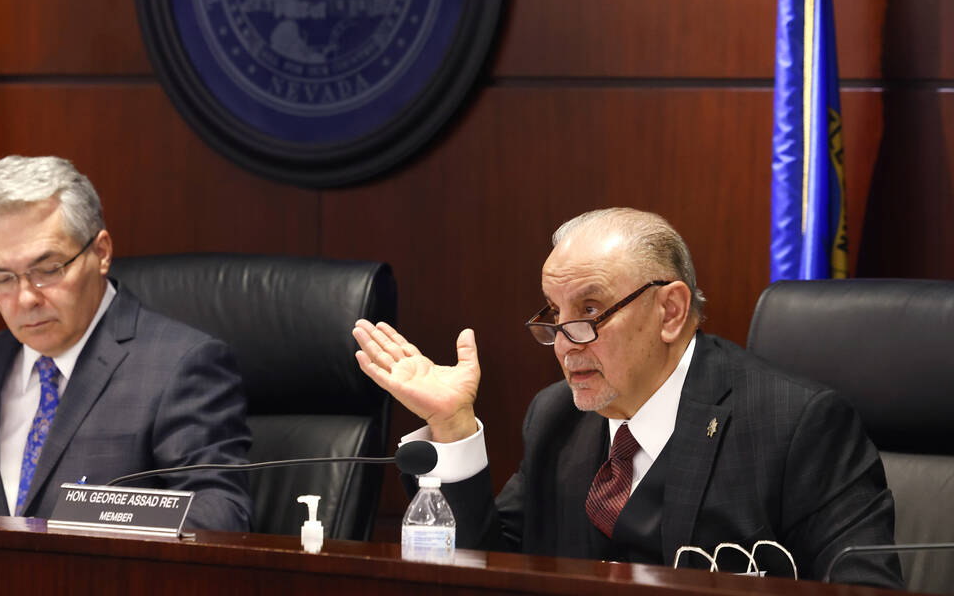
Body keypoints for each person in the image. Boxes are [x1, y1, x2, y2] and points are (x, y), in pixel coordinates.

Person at [353, 208, 901, 587]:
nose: (565, 343)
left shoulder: (795, 426)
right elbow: (488, 570)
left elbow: (863, 590)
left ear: (669, 311)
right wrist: (452, 423)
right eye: (553, 314)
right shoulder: (556, 419)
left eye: (590, 312)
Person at [0, 155, 252, 530]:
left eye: (47, 270)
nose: (25, 299)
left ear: (100, 253)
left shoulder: (180, 367)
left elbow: (219, 517)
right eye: (3, 279)